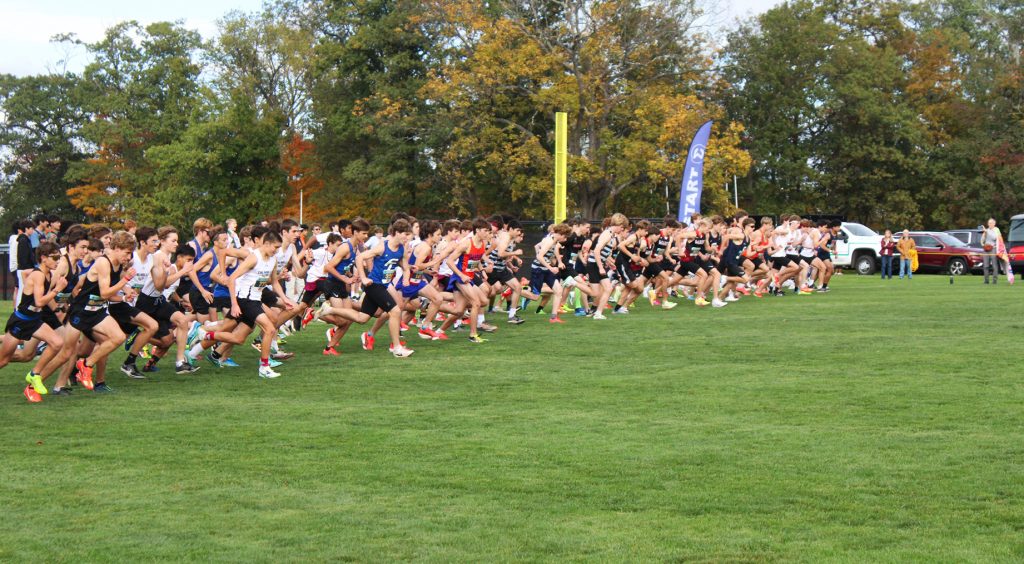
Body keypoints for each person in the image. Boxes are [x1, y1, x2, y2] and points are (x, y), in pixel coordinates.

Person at [981, 218, 1003, 284]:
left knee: (994, 265)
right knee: (985, 266)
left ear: (994, 224)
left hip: (993, 249)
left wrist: (987, 232)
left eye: (991, 223)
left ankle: (994, 280)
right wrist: (983, 244)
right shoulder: (986, 230)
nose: (989, 224)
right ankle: (986, 280)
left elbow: (994, 237)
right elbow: (982, 240)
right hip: (986, 249)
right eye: (989, 223)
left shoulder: (996, 230)